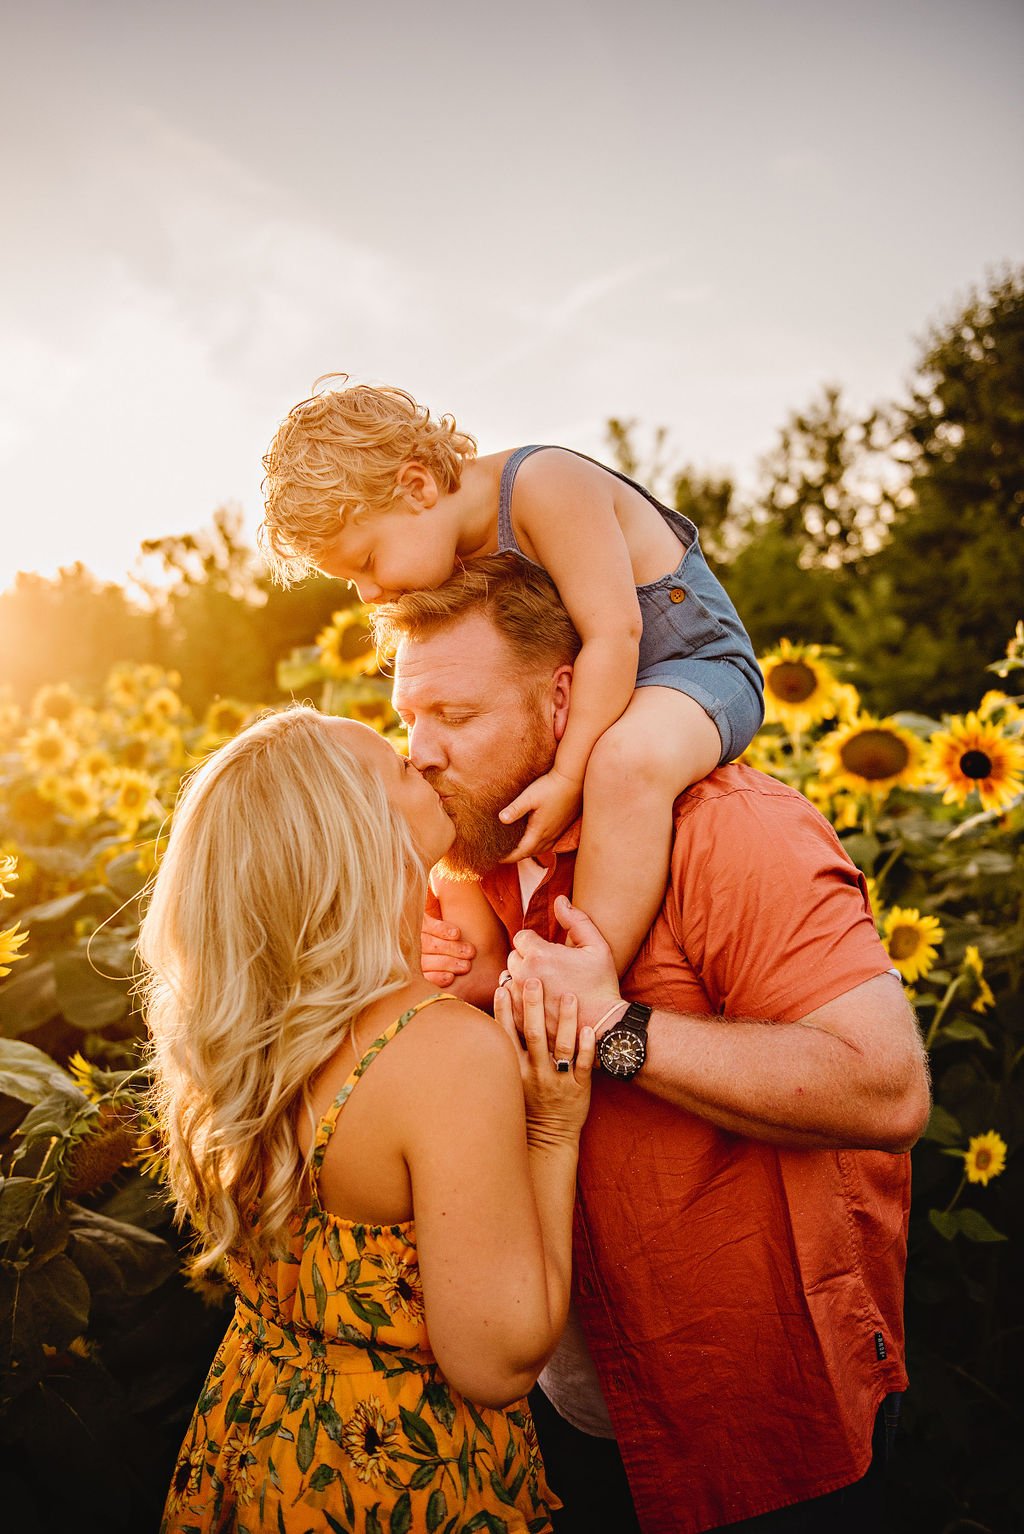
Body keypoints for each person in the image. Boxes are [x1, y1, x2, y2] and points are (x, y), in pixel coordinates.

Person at [370, 556, 933, 1534]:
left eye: (454, 717)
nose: (420, 750)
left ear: (561, 698)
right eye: (407, 718)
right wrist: (458, 1007)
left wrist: (615, 1027)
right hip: (574, 1411)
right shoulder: (468, 866)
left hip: (762, 1416)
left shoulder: (727, 831)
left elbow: (882, 1088)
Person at [138, 705, 595, 1533]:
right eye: (396, 767)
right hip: (393, 1474)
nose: (420, 763)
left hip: (257, 1434)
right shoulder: (443, 1054)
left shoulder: (244, 1035)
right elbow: (499, 1359)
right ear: (361, 837)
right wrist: (554, 1129)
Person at [259, 379, 764, 1000]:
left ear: (417, 488)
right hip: (597, 677)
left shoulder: (546, 485)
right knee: (452, 793)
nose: (368, 594)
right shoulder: (451, 546)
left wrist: (569, 774)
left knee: (626, 762)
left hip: (693, 668)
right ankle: (470, 955)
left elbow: (615, 632)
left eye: (366, 562)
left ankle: (578, 979)